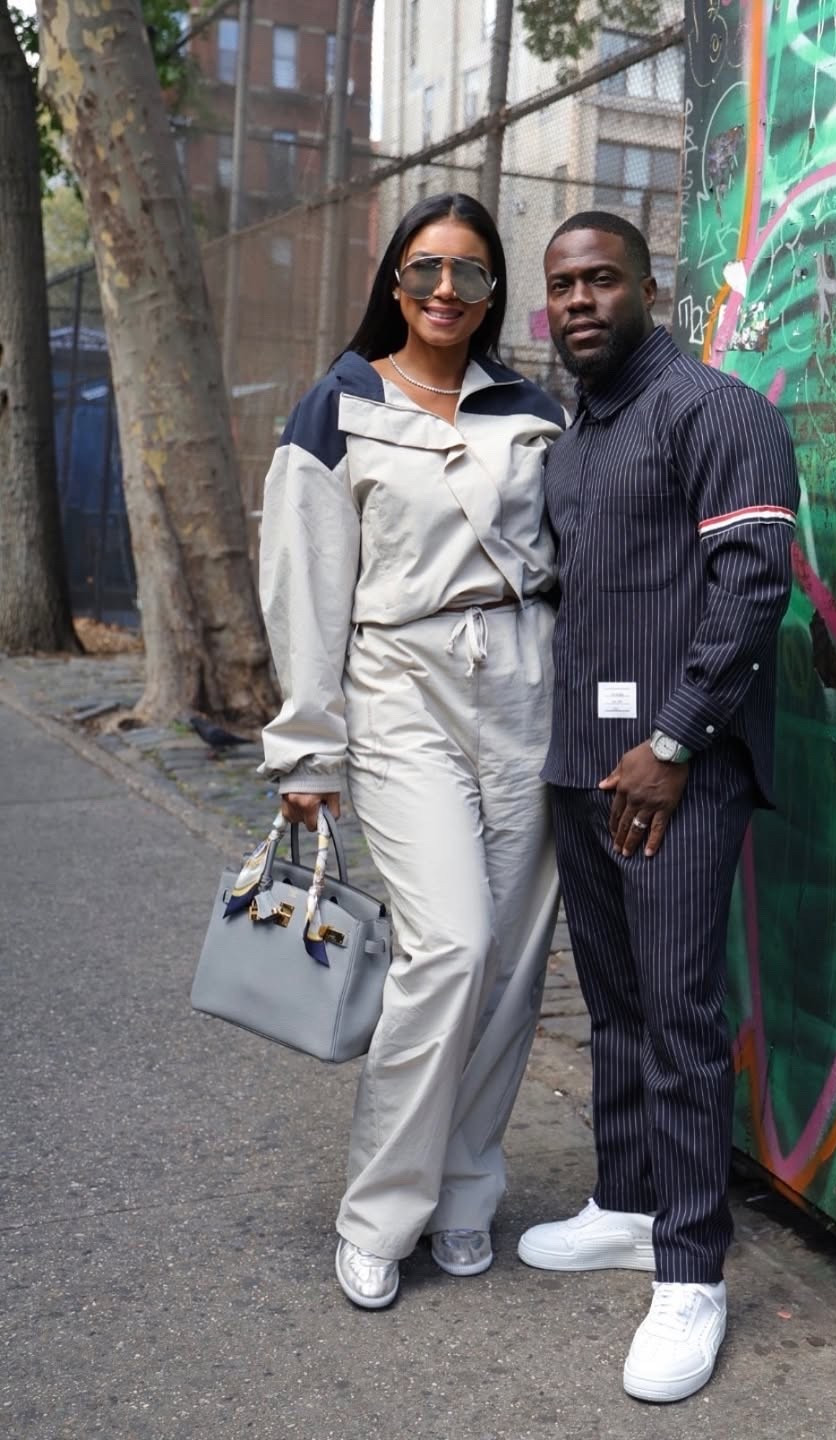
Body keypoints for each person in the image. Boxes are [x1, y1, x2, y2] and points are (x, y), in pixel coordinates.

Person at [258, 192, 565, 1310]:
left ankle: (468, 1194)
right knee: (451, 947)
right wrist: (307, 753)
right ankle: (381, 1209)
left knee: (514, 964)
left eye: (473, 275)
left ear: (493, 294)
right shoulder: (335, 409)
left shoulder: (530, 411)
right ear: (396, 279)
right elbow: (303, 585)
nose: (448, 291)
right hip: (400, 687)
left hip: (528, 684)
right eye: (429, 270)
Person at [517, 213, 799, 1403]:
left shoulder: (717, 411)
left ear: (650, 287)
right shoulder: (576, 436)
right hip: (583, 770)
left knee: (680, 1017)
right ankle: (629, 1203)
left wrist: (675, 742)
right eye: (562, 285)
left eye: (602, 280)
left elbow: (753, 592)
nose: (580, 300)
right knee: (619, 1007)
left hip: (673, 772)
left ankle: (691, 1272)